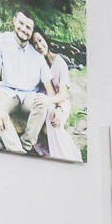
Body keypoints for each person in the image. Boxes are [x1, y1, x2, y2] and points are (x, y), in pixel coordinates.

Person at [0, 10, 54, 153]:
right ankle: (18, 152)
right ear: (14, 20)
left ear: (32, 31)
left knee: (42, 104)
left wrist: (50, 101)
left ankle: (26, 145)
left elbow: (50, 88)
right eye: (21, 23)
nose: (23, 29)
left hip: (29, 96)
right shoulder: (0, 40)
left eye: (28, 27)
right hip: (7, 93)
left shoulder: (38, 53)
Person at [31, 31, 81, 161]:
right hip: (45, 97)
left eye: (40, 40)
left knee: (52, 116)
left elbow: (63, 95)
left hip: (60, 101)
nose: (39, 45)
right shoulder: (37, 62)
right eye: (35, 43)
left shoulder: (59, 63)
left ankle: (65, 155)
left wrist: (57, 107)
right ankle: (48, 152)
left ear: (46, 40)